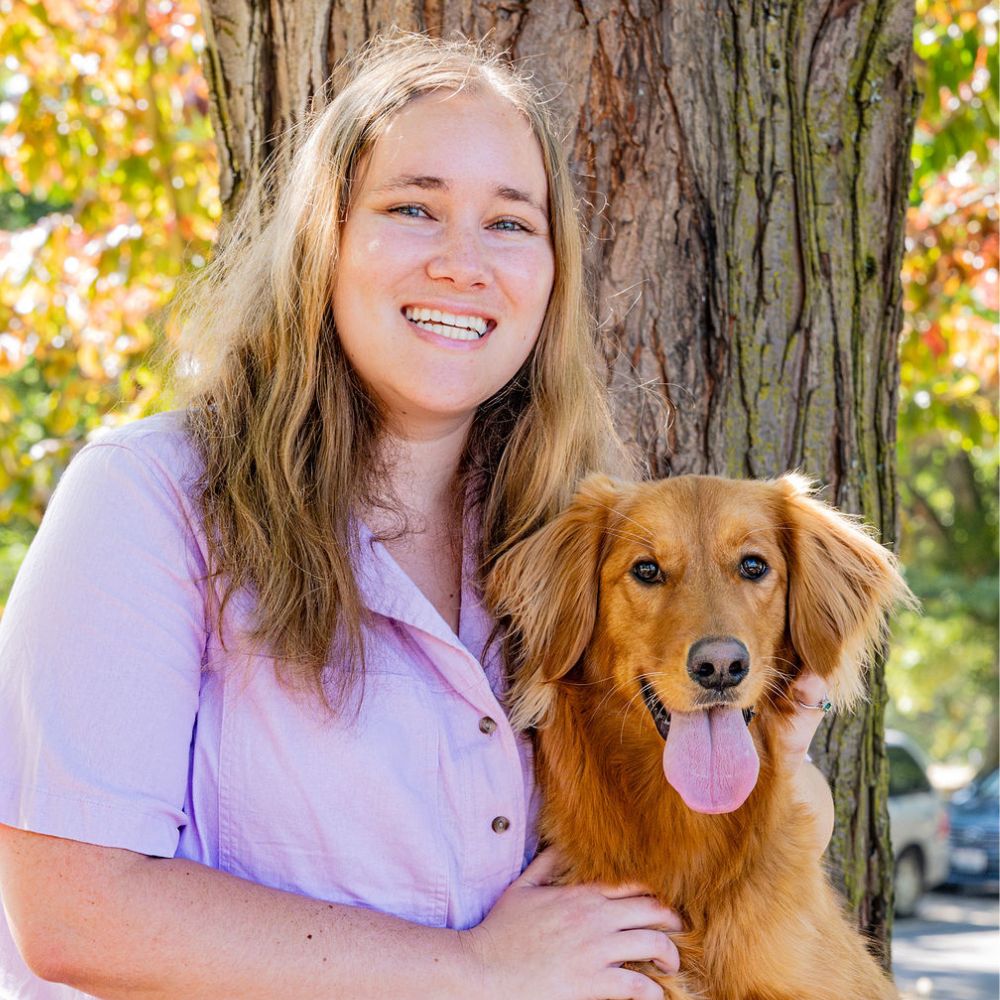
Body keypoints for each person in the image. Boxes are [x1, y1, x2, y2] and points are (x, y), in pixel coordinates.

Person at [0, 33, 834, 1000]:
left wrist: (762, 741)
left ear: (552, 274)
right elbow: (72, 911)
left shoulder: (581, 547)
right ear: (327, 236)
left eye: (511, 224)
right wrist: (470, 971)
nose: (462, 262)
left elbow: (736, 847)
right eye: (412, 208)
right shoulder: (152, 498)